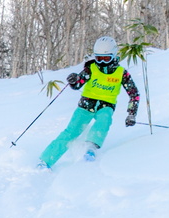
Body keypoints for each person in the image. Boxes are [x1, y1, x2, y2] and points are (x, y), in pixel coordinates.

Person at [38, 36, 139, 167]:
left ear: (114, 55)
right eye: (99, 58)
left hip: (106, 105)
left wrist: (132, 113)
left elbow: (134, 94)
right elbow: (79, 83)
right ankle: (46, 160)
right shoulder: (91, 68)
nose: (102, 63)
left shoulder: (121, 73)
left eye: (106, 58)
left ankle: (90, 147)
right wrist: (74, 80)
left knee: (104, 120)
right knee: (71, 132)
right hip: (86, 105)